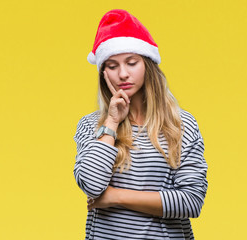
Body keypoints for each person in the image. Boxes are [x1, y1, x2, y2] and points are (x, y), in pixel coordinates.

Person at [73, 9, 208, 240]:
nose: (123, 74)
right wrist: (113, 122)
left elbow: (191, 201)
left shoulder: (181, 124)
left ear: (147, 65)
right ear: (103, 73)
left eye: (131, 63)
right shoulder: (91, 125)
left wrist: (116, 197)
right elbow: (93, 186)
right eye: (112, 66)